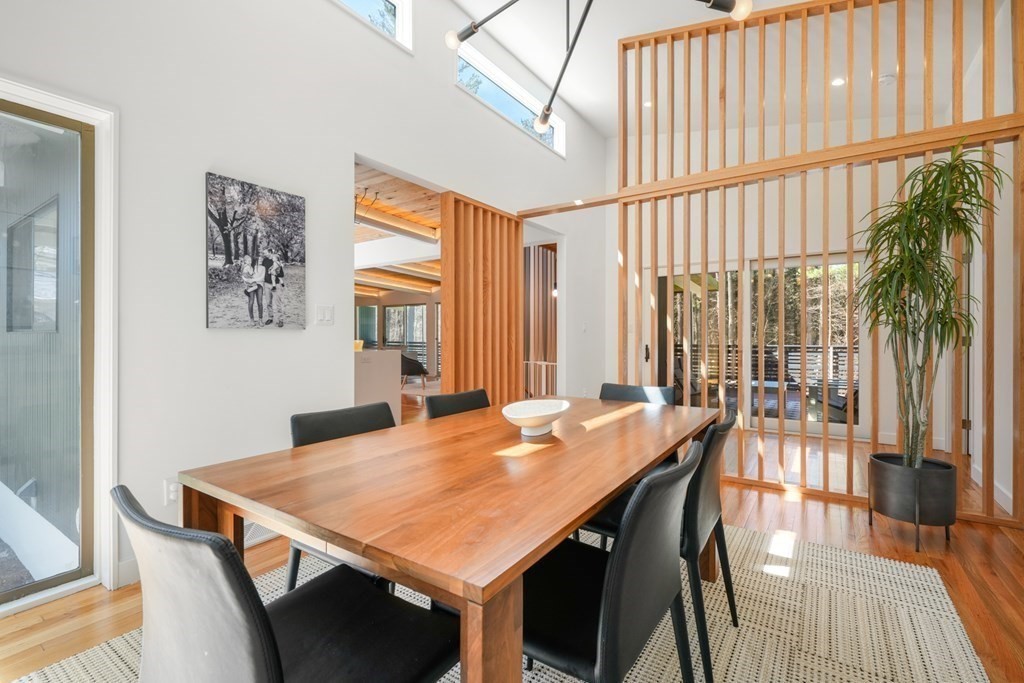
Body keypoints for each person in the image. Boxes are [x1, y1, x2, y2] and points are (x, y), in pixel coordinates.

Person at [241, 255, 266, 327]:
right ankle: (252, 319)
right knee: (251, 302)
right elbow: (245, 275)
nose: (261, 260)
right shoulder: (252, 266)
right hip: (251, 285)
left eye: (262, 259)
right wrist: (245, 280)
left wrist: (253, 280)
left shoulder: (263, 268)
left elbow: (262, 278)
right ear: (257, 260)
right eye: (260, 259)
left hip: (259, 286)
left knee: (260, 303)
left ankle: (260, 319)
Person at [263, 252, 286, 328]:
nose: (264, 253)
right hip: (267, 284)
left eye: (265, 252)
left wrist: (275, 273)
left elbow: (281, 274)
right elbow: (263, 271)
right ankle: (270, 317)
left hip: (276, 284)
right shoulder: (265, 260)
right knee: (268, 302)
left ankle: (280, 320)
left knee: (278, 303)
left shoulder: (277, 261)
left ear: (270, 252)